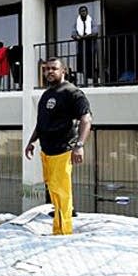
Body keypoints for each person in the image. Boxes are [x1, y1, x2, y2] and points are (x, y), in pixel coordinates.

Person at [24, 58, 92, 235]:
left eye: (54, 69)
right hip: (46, 151)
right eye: (46, 69)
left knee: (62, 193)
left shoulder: (72, 93)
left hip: (62, 150)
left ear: (64, 71)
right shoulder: (47, 94)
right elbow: (41, 123)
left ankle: (64, 232)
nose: (49, 72)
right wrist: (31, 142)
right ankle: (59, 225)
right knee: (54, 191)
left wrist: (79, 146)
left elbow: (86, 119)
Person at [72, 6, 98, 85]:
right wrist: (77, 37)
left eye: (84, 11)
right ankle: (84, 83)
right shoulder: (77, 23)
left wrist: (82, 37)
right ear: (79, 13)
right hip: (81, 49)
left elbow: (95, 33)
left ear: (87, 12)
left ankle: (95, 83)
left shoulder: (91, 21)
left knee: (92, 66)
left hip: (90, 48)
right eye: (81, 11)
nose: (83, 12)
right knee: (82, 67)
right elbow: (73, 34)